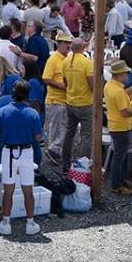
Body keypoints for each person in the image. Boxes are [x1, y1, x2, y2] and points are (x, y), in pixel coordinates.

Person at [0, 80, 45, 236]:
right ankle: (30, 222)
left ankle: (6, 222)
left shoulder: (3, 111)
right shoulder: (33, 113)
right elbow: (39, 136)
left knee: (8, 190)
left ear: (13, 93)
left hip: (8, 152)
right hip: (26, 152)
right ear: (27, 95)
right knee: (28, 189)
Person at [59, 38, 94, 171]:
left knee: (69, 133)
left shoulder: (65, 61)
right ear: (84, 47)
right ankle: (82, 166)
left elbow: (65, 82)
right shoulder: (87, 63)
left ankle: (65, 163)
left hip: (70, 102)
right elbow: (92, 85)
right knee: (86, 135)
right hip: (85, 103)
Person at [104, 59, 132, 195]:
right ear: (120, 74)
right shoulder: (118, 91)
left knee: (119, 156)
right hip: (122, 127)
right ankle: (116, 185)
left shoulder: (110, 86)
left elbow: (121, 96)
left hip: (114, 125)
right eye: (126, 73)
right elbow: (125, 112)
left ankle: (120, 180)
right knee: (119, 157)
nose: (127, 75)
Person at [41, 33, 70, 162]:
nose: (68, 45)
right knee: (57, 128)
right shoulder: (53, 60)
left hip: (64, 100)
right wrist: (62, 86)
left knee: (60, 128)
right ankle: (53, 151)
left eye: (69, 43)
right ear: (58, 44)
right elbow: (46, 78)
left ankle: (54, 152)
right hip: (55, 99)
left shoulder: (67, 59)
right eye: (65, 43)